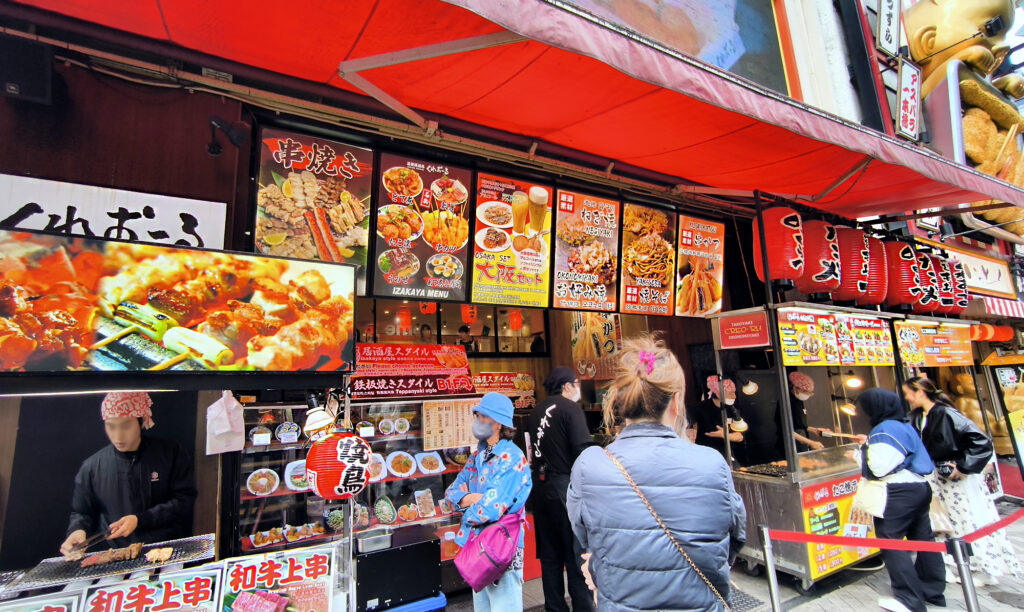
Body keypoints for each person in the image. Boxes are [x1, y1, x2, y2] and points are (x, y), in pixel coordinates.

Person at [568, 334, 746, 611]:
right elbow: (733, 539)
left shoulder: (589, 465)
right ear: (676, 402)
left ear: (619, 401)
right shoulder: (713, 464)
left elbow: (586, 537)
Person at [903, 376, 1023, 584]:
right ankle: (958, 565)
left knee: (969, 519)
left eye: (908, 393)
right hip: (939, 481)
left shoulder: (945, 413)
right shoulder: (919, 416)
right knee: (948, 523)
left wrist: (963, 466)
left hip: (959, 482)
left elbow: (981, 441)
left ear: (920, 392)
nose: (906, 398)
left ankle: (985, 569)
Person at [60, 392, 197, 556]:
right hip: (117, 555)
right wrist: (77, 530)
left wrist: (140, 520)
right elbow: (82, 512)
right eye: (111, 426)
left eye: (126, 425)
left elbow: (184, 500)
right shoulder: (92, 467)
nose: (118, 436)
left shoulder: (170, 453)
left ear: (141, 421)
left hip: (167, 551)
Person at [855, 388, 945, 612]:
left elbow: (879, 467)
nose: (861, 412)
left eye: (864, 408)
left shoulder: (885, 429)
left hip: (898, 491)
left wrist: (859, 453)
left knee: (890, 540)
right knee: (923, 539)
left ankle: (909, 599)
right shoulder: (902, 425)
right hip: (919, 487)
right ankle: (932, 591)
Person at [445, 393, 533, 611]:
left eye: (484, 416)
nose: (478, 420)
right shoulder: (478, 455)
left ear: (499, 423)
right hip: (477, 547)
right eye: (478, 415)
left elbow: (490, 510)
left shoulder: (512, 458)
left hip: (502, 547)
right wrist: (473, 499)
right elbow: (450, 493)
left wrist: (468, 504)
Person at [527, 367, 595, 612]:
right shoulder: (570, 409)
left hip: (540, 488)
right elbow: (583, 452)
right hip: (566, 489)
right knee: (575, 554)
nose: (578, 388)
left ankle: (555, 607)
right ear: (567, 386)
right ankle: (583, 608)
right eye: (577, 383)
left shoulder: (535, 411)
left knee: (550, 556)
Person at [689, 375, 743, 458]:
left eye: (734, 392)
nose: (734, 396)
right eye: (730, 393)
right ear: (718, 394)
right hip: (705, 454)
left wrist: (725, 435)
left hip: (728, 454)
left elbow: (740, 437)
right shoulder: (699, 408)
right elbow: (687, 429)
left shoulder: (733, 410)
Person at [788, 371, 830, 451]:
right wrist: (811, 443)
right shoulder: (787, 402)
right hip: (791, 446)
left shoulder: (798, 401)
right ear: (795, 388)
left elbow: (798, 425)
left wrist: (815, 430)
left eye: (809, 393)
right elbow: (788, 430)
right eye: (805, 391)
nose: (807, 395)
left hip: (801, 441)